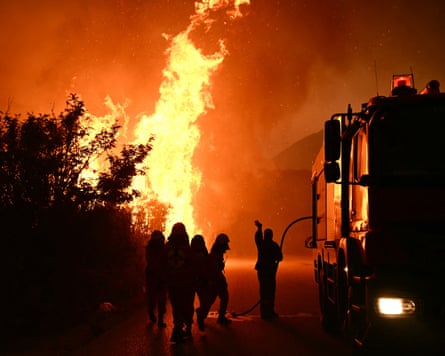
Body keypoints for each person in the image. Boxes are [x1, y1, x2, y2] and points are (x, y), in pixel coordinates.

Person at [164, 222, 196, 343]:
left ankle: (179, 328)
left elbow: (162, 265)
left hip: (173, 283)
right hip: (186, 283)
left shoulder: (167, 248)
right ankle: (182, 328)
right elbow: (193, 265)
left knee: (177, 306)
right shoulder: (187, 249)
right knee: (186, 305)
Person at [196, 233, 231, 330]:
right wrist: (214, 281)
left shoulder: (216, 253)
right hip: (214, 280)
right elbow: (214, 270)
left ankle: (218, 316)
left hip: (215, 279)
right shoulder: (215, 255)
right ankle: (201, 315)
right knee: (210, 300)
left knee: (223, 296)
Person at [254, 220, 283, 320]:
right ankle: (269, 311)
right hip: (270, 272)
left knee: (263, 291)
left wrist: (259, 228)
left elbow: (257, 238)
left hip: (262, 272)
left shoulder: (261, 244)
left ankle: (264, 312)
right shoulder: (274, 245)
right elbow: (280, 257)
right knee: (270, 292)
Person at [145, 230, 167, 328]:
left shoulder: (152, 248)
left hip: (155, 275)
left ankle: (157, 317)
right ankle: (158, 318)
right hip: (155, 275)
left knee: (156, 298)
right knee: (158, 298)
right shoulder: (160, 248)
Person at [190, 234, 210, 324]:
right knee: (190, 303)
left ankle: (199, 316)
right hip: (194, 280)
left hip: (200, 281)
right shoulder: (189, 254)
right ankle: (190, 322)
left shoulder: (190, 253)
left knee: (204, 301)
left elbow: (207, 266)